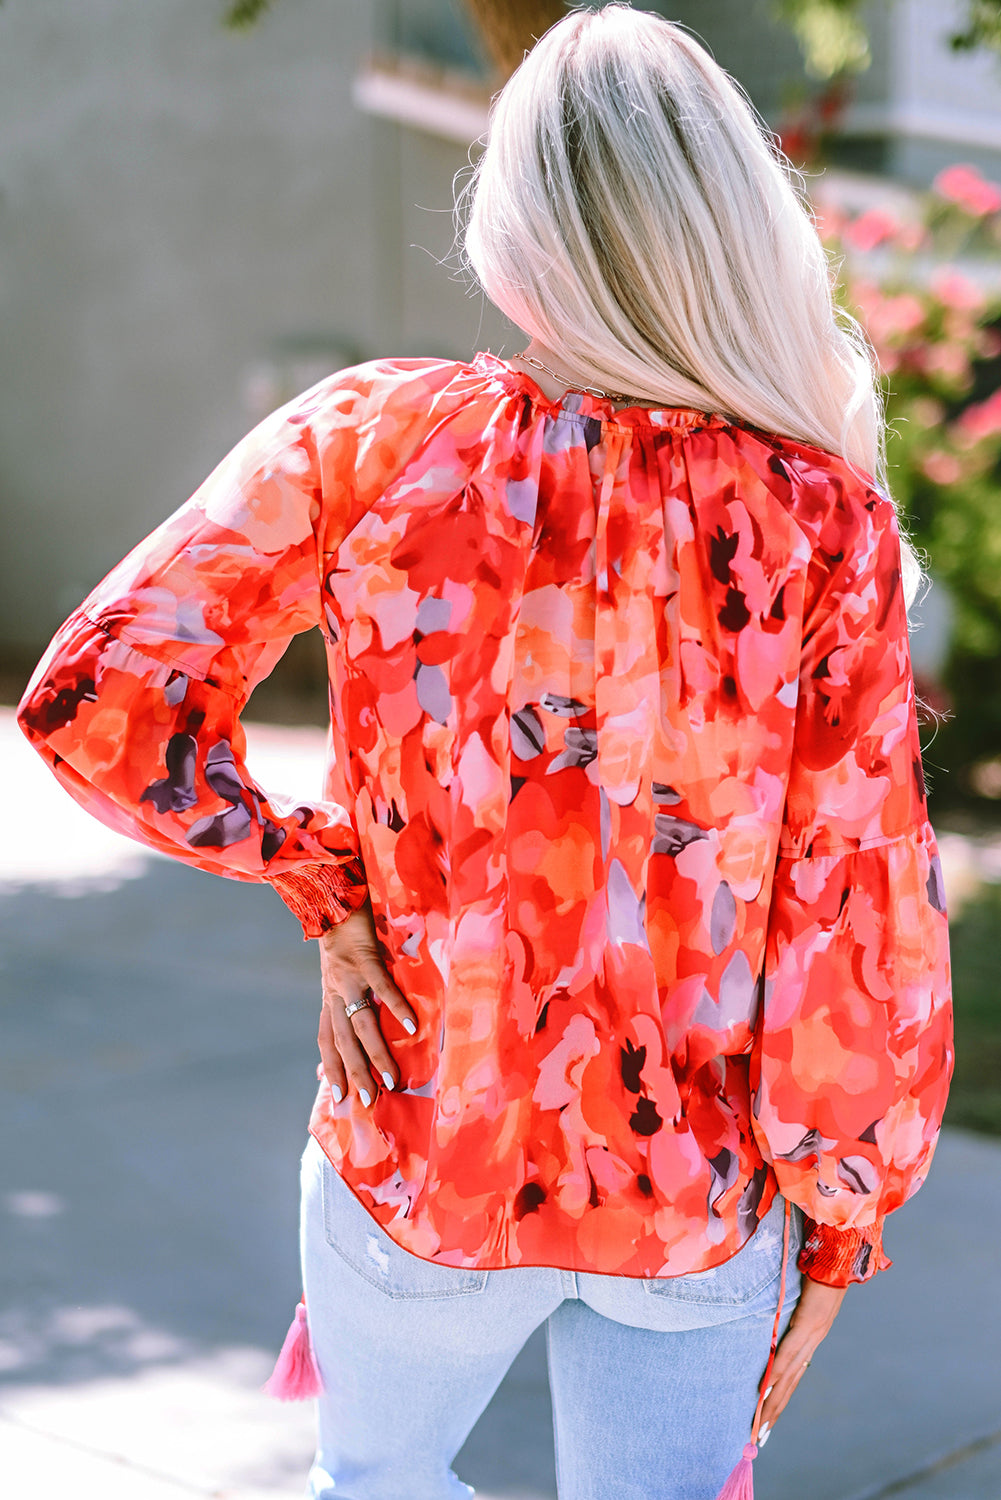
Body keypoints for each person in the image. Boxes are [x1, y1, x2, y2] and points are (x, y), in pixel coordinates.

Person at [17, 6, 952, 1498]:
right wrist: (840, 1221)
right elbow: (854, 919)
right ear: (733, 224)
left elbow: (99, 702)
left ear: (513, 222)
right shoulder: (815, 519)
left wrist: (322, 882)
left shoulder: (370, 443)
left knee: (375, 1483)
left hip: (417, 1148)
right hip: (691, 1199)